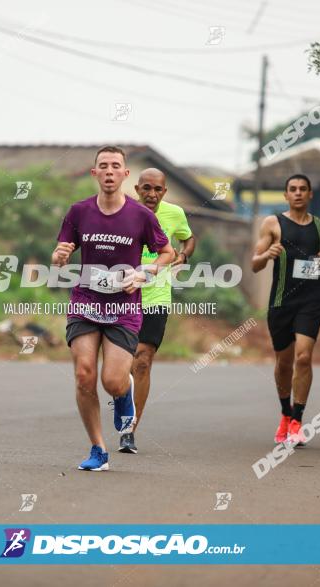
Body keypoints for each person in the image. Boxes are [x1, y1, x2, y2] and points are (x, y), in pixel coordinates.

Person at [52, 146, 175, 470]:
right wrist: (60, 256)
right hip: (85, 302)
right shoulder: (78, 212)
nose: (108, 171)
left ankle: (124, 395)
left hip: (123, 308)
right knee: (83, 374)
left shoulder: (140, 216)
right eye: (103, 166)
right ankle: (98, 449)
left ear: (124, 175)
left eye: (115, 166)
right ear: (95, 174)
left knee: (112, 381)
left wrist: (144, 272)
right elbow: (61, 251)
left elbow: (167, 253)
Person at [119, 168, 196, 454]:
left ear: (165, 192)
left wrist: (184, 254)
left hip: (156, 297)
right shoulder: (121, 211)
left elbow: (188, 238)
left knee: (143, 360)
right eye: (146, 188)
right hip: (122, 294)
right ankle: (120, 400)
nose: (152, 194)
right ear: (137, 189)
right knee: (121, 366)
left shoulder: (175, 214)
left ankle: (130, 429)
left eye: (158, 189)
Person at [252, 174, 320, 447]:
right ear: (286, 195)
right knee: (284, 362)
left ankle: (298, 420)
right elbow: (254, 264)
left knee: (304, 357)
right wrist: (266, 255)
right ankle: (285, 413)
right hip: (281, 302)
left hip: (311, 301)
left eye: (302, 189)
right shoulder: (273, 223)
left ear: (310, 194)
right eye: (292, 189)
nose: (297, 193)